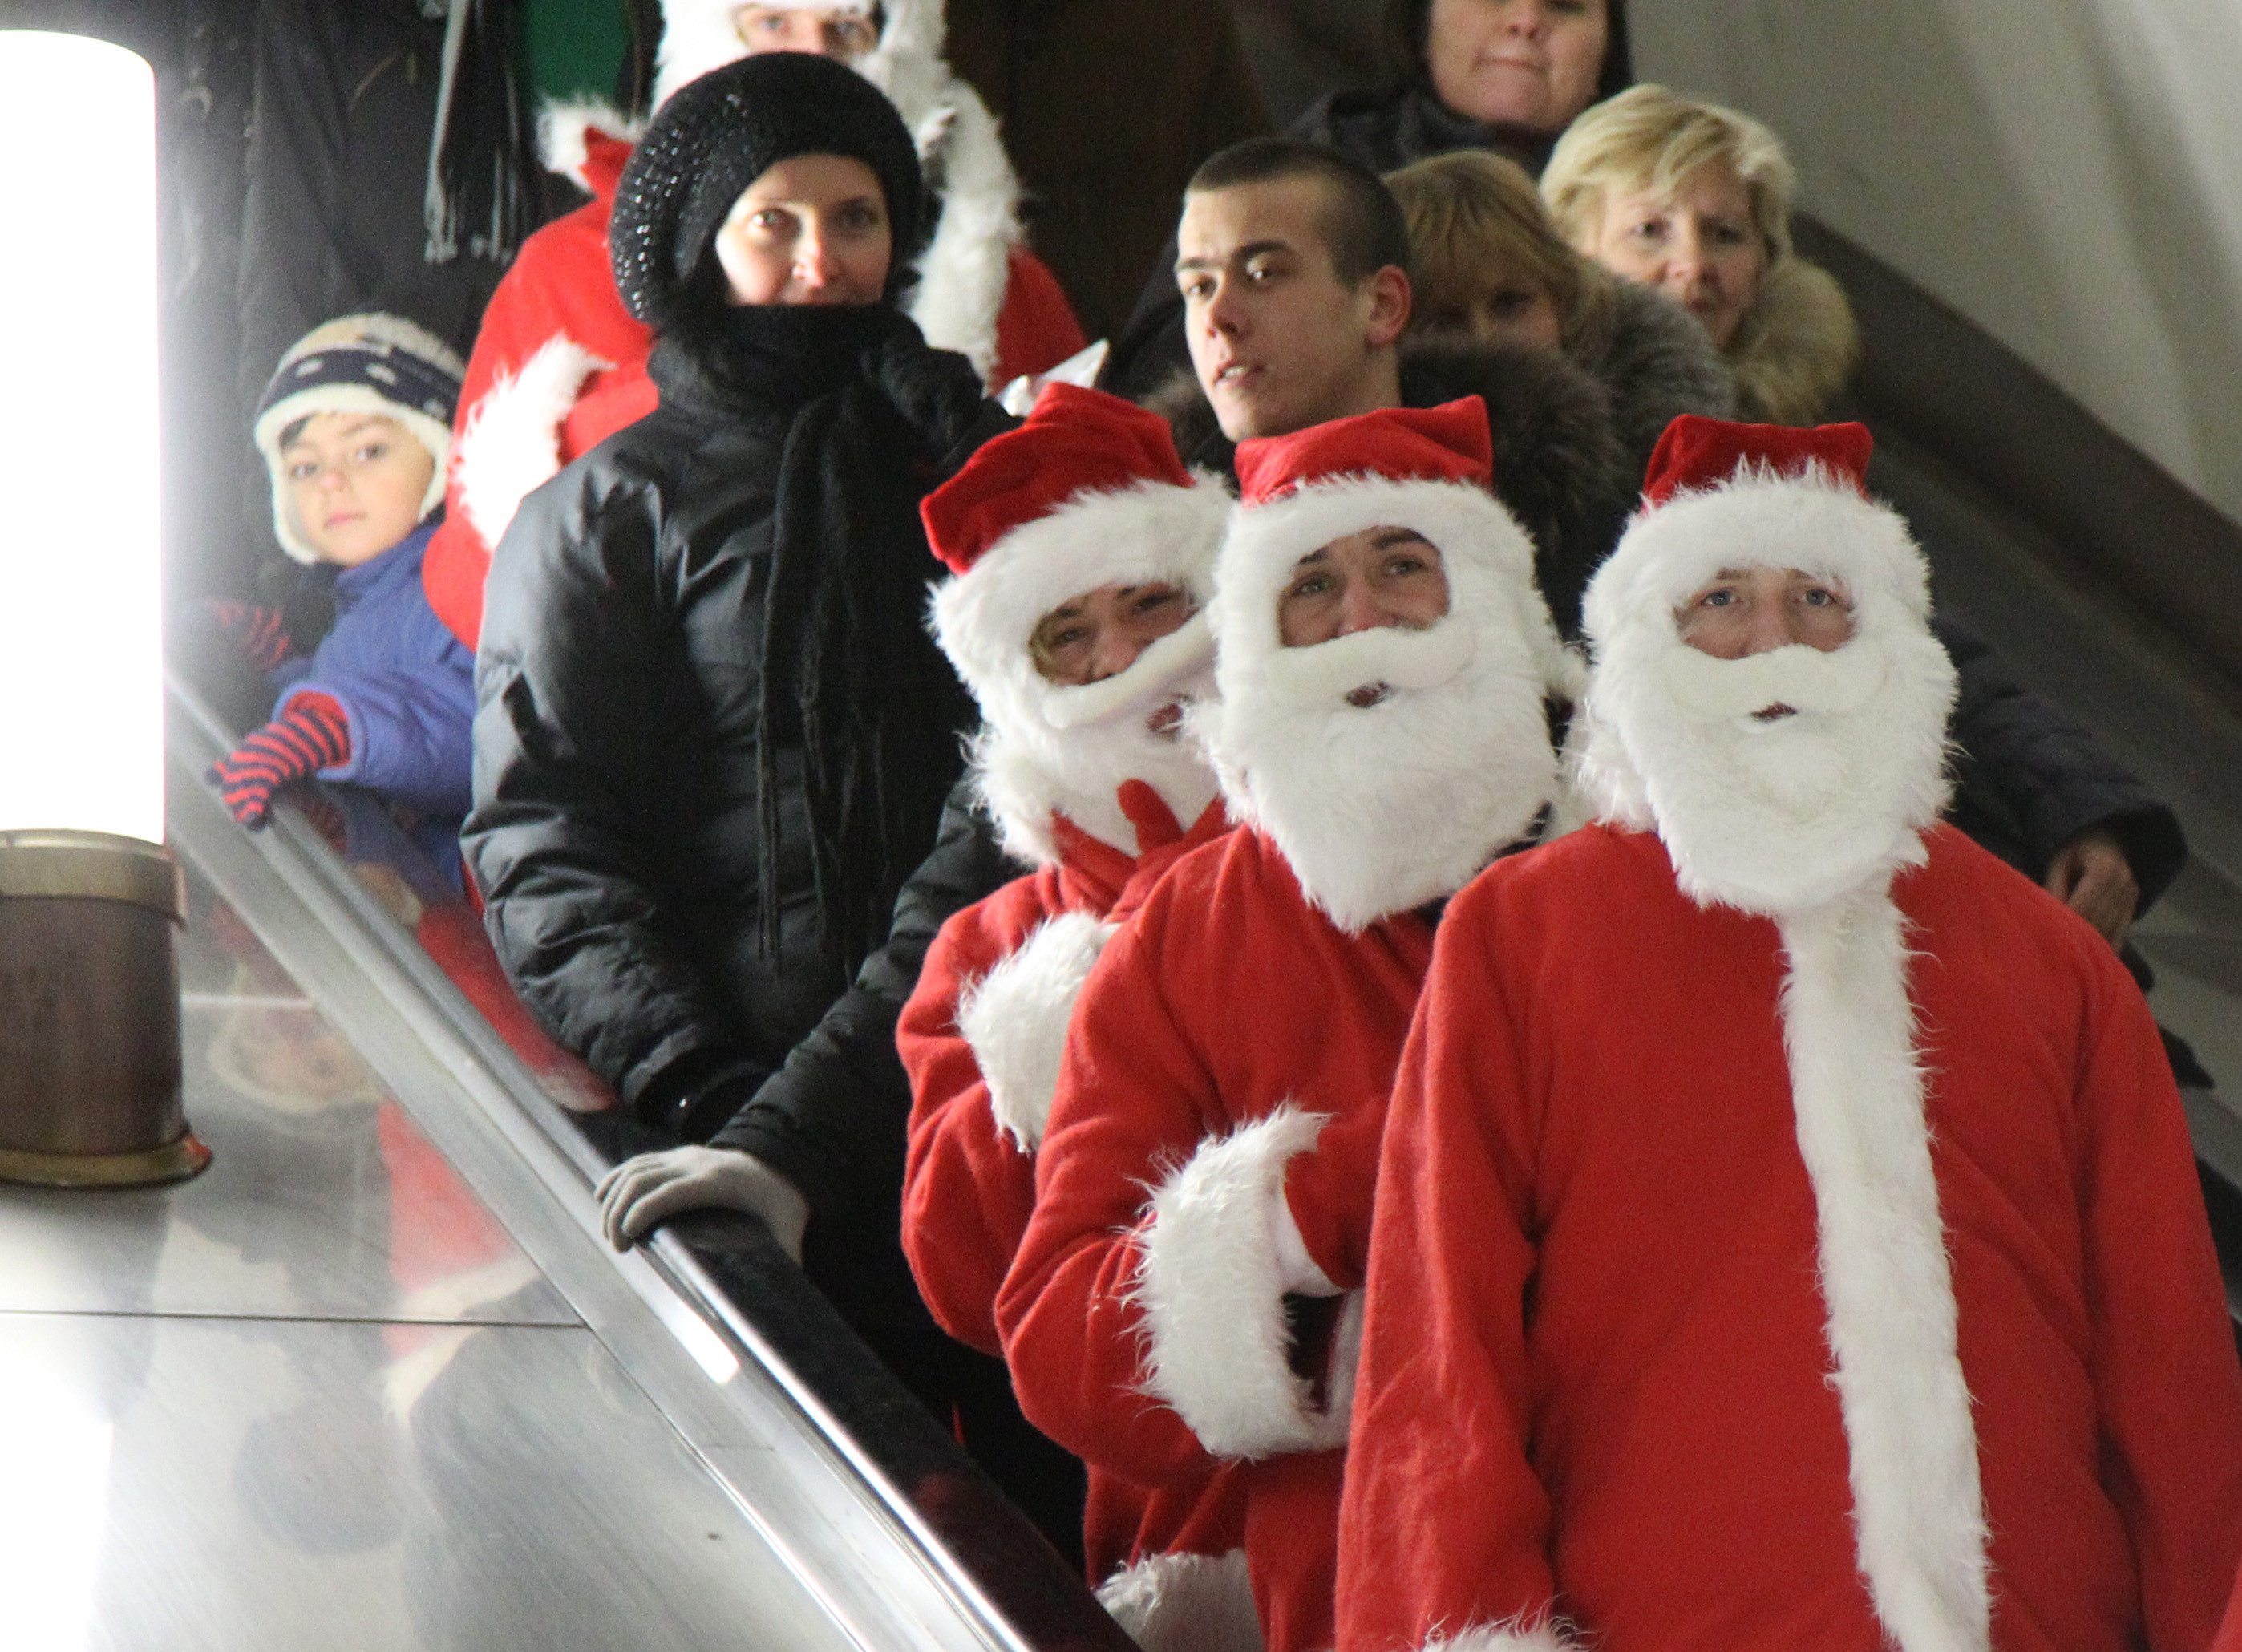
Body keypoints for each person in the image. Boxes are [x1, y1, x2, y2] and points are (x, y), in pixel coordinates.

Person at [1332, 416, 2242, 1652]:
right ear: (1644, 645)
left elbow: (2173, 1384)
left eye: (1819, 598)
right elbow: (1440, 1367)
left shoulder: (2053, 965)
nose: (1774, 645)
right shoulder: (1519, 940)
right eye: (1720, 599)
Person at [999, 399, 1580, 1652]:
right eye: (1312, 584)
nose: (1361, 616)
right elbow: (1058, 1337)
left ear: (1485, 593)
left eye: (1401, 566)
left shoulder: (1648, 866)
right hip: (1355, 1594)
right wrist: (1314, 1211)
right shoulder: (1188, 935)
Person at [465, 54, 1000, 1311]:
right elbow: (544, 829)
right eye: (777, 222)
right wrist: (703, 1081)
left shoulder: (979, 469)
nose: (823, 262)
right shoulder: (605, 511)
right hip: (730, 1126)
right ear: (707, 245)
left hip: (996, 1101)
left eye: (857, 219)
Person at [421, 0, 1086, 650]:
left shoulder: (1003, 281)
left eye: (847, 27)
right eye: (772, 21)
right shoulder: (565, 271)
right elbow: (476, 591)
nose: (811, 53)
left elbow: (1095, 555)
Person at [896, 383, 1238, 1605]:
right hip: (1167, 1509)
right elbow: (964, 1283)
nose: (1124, 658)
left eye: (1152, 602)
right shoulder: (992, 949)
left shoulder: (1362, 866)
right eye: (1066, 634)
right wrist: (1036, 1062)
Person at [1146, 136, 1633, 636]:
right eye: (1199, 287)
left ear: (1381, 306)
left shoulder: (1568, 512)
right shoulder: (1147, 554)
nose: (1218, 317)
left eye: (1263, 274)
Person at [1106, 0, 1631, 395]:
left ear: (1607, 52)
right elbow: (1159, 373)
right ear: (1421, 27)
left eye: (1565, 1)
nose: (1526, 19)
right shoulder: (1305, 173)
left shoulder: (1669, 181)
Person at [205, 314, 476, 863]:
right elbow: (365, 683)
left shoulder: (467, 578)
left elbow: (484, 731)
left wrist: (332, 729)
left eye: (368, 450)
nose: (331, 481)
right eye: (304, 468)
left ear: (442, 453)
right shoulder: (362, 605)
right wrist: (280, 667)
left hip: (475, 910)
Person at [1386, 147, 1734, 475]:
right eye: (1444, 322)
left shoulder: (1666, 450)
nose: (1486, 339)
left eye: (1511, 305)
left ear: (1564, 300)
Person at [1542, 83, 1856, 427]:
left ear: (1762, 265)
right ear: (1569, 252)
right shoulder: (1516, 423)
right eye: (1650, 230)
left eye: (1725, 234)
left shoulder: (1815, 451)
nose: (1693, 265)